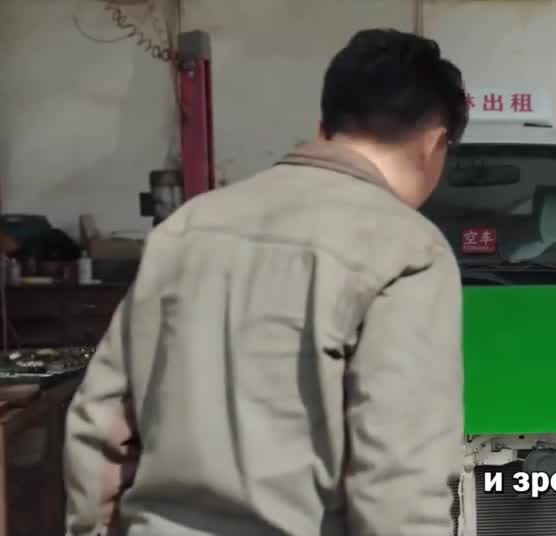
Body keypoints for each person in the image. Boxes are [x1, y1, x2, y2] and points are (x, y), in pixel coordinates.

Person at [63, 29, 469, 536]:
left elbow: (100, 422)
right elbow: (400, 481)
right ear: (434, 143)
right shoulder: (408, 249)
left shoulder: (184, 230)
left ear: (323, 128)